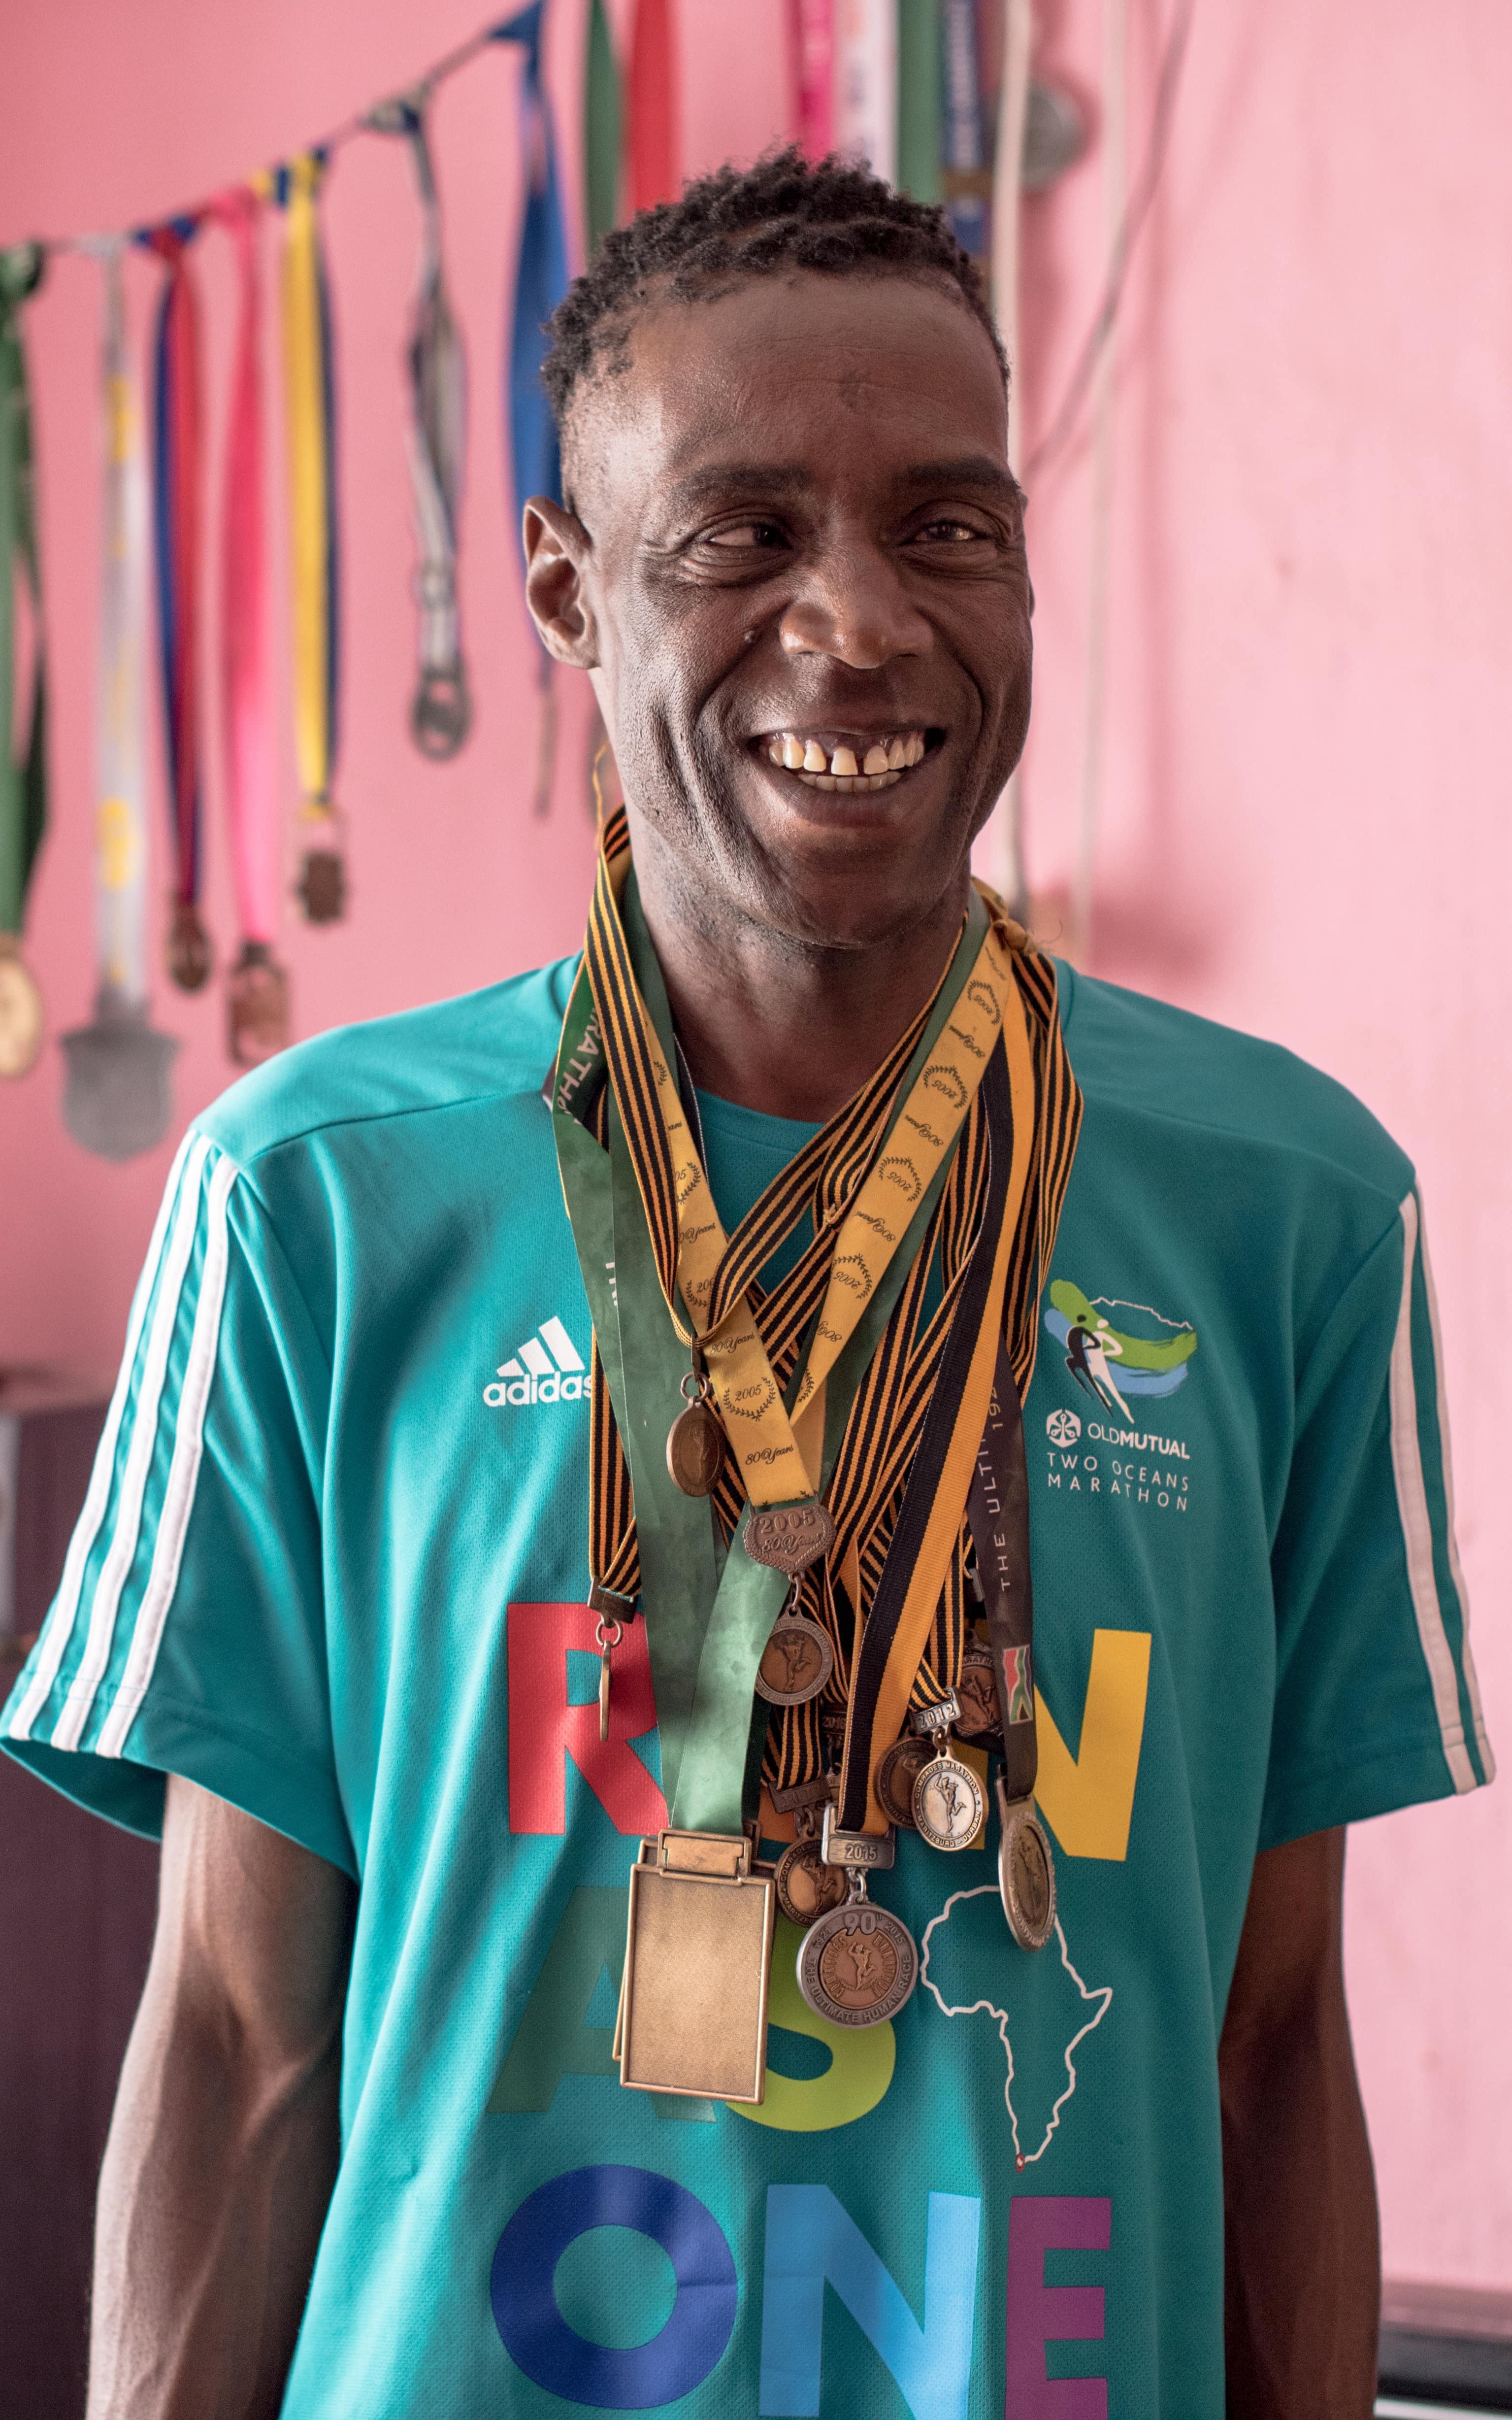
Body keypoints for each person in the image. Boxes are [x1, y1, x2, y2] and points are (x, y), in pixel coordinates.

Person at [2, 151, 1490, 2420]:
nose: (863, 620)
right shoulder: (313, 1205)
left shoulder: (1289, 1212)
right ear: (565, 591)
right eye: (743, 535)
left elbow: (1272, 2047)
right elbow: (233, 2033)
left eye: (949, 525)